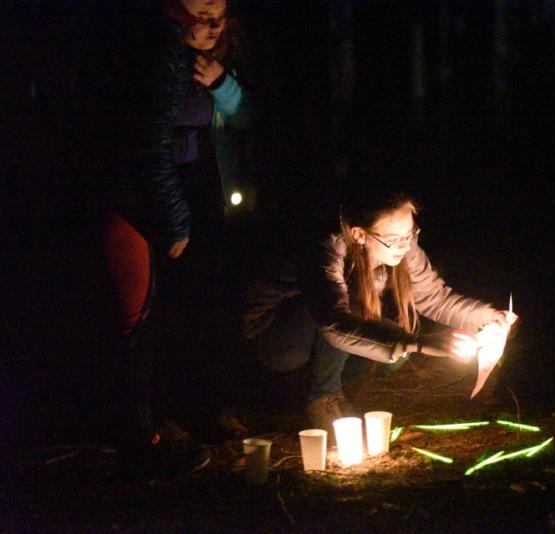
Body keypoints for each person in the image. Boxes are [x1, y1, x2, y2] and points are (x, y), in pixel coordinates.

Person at [104, 0, 251, 478]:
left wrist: (222, 84)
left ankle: (209, 407)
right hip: (159, 197)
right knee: (159, 311)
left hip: (202, 191)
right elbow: (150, 142)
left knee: (207, 302)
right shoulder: (160, 61)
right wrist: (172, 217)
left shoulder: (213, 65)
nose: (211, 25)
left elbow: (244, 118)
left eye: (219, 16)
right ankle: (159, 420)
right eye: (202, 14)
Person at [242, 189, 517, 431]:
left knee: (394, 357)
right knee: (360, 314)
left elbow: (434, 298)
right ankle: (323, 395)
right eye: (395, 239)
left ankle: (319, 385)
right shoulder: (326, 247)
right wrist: (419, 343)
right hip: (275, 337)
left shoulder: (404, 247)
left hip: (324, 335)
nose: (406, 245)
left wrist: (486, 316)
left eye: (410, 234)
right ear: (359, 234)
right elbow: (334, 321)